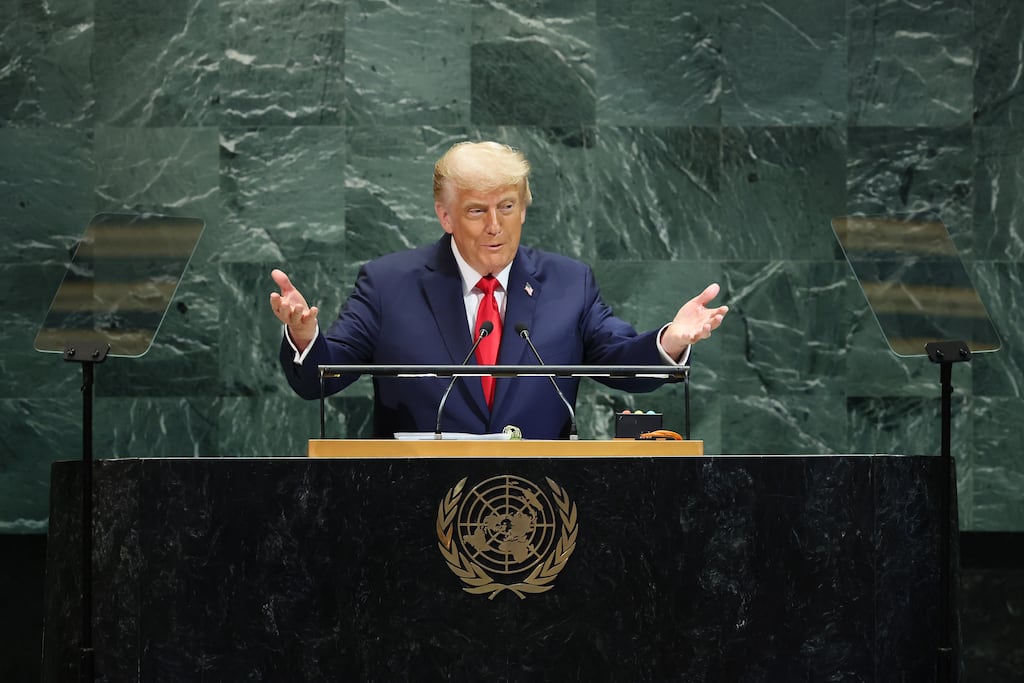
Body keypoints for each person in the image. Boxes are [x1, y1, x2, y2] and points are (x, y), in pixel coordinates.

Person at [271, 140, 728, 438]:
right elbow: (320, 379)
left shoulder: (570, 283)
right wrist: (306, 339)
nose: (495, 226)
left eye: (507, 206)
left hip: (542, 507)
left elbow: (621, 365)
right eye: (476, 211)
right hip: (410, 507)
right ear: (445, 217)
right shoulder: (388, 284)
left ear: (524, 208)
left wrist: (670, 342)